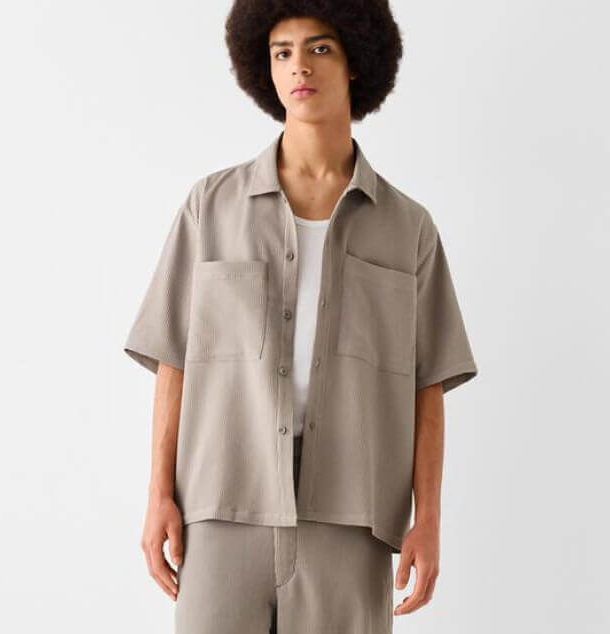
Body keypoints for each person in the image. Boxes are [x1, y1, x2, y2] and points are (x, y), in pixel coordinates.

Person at [123, 2, 479, 632]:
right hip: (223, 502)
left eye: (319, 48)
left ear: (356, 62)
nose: (298, 68)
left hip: (352, 513)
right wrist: (158, 497)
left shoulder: (408, 228)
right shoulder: (211, 206)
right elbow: (173, 358)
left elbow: (427, 384)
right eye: (281, 52)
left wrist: (428, 519)